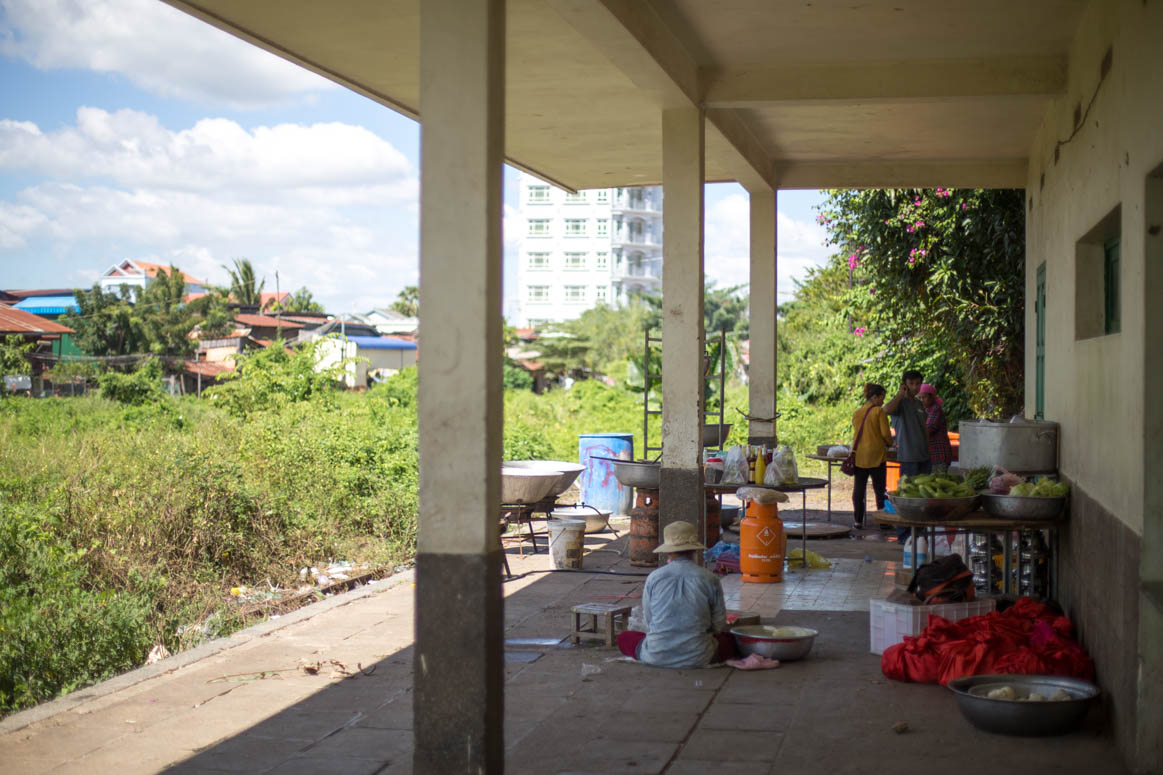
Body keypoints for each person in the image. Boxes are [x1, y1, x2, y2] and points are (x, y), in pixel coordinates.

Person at [616, 521, 736, 668]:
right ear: (694, 550)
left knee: (624, 637)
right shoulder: (709, 578)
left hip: (656, 655)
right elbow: (718, 624)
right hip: (699, 656)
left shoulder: (654, 577)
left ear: (668, 551)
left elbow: (650, 620)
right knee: (732, 640)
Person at [884, 369, 929, 540]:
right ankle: (904, 535)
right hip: (908, 457)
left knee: (922, 499)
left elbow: (924, 428)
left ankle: (918, 533)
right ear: (904, 384)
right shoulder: (899, 404)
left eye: (918, 383)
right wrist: (899, 394)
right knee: (907, 498)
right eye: (911, 384)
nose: (915, 387)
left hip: (923, 456)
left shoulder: (918, 404)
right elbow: (885, 409)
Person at [851, 383, 894, 529]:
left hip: (860, 456)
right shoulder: (878, 412)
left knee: (859, 490)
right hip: (877, 456)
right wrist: (889, 443)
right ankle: (883, 521)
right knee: (880, 490)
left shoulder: (857, 412)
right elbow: (886, 434)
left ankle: (858, 521)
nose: (883, 401)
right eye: (882, 397)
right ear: (874, 397)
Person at [918, 383, 953, 473]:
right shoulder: (924, 409)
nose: (921, 400)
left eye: (924, 397)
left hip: (939, 454)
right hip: (930, 454)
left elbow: (929, 429)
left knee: (938, 482)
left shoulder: (935, 409)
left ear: (932, 397)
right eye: (919, 397)